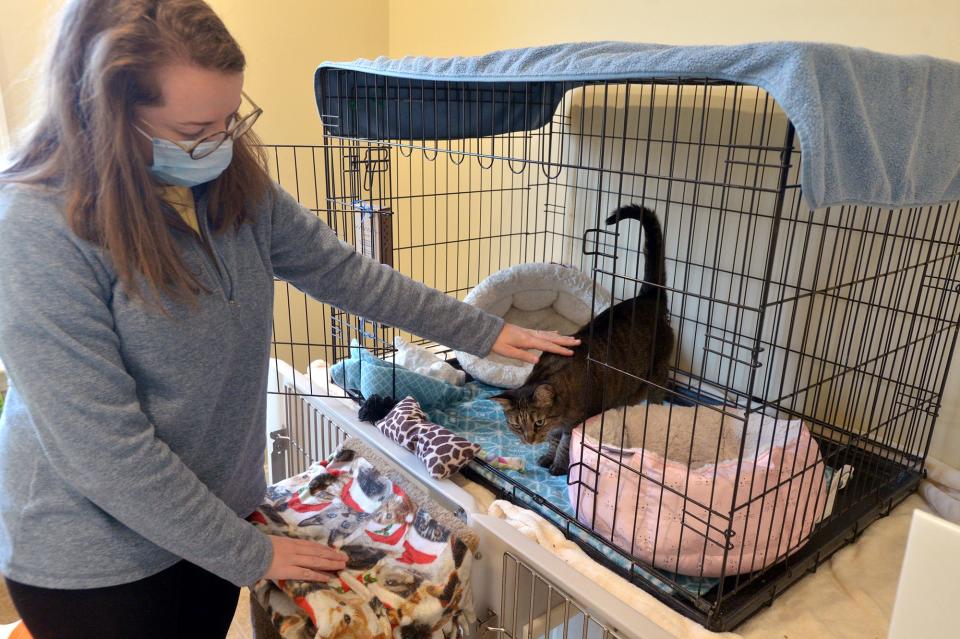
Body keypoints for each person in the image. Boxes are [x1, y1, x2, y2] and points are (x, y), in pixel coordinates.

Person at [0, 1, 579, 637]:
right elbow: (104, 451)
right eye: (195, 129)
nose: (219, 143)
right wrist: (254, 554)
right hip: (97, 556)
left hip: (217, 516)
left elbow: (346, 273)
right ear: (105, 118)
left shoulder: (230, 183)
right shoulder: (35, 230)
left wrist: (484, 331)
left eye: (231, 118)